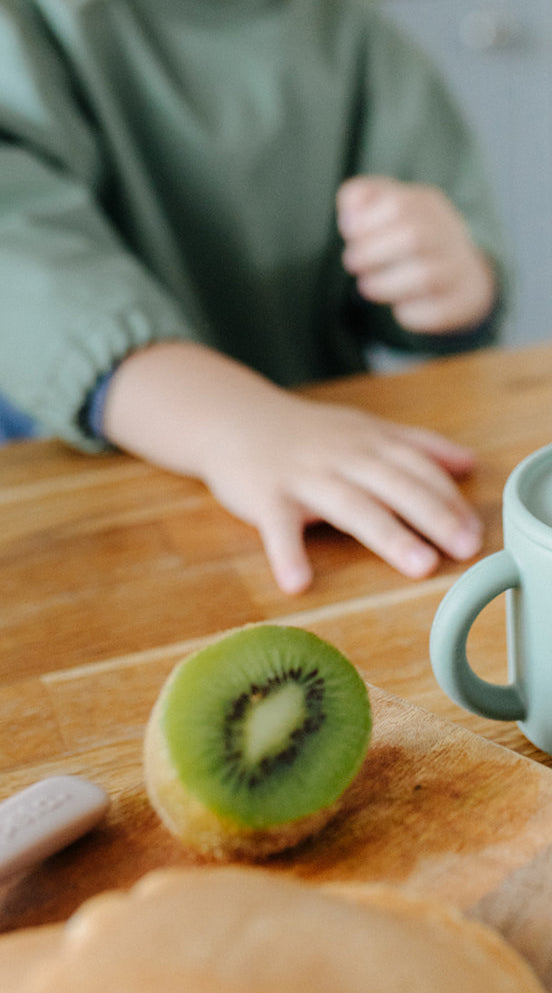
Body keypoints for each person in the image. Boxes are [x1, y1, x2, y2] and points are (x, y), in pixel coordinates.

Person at [0, 0, 509, 593]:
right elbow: (22, 259)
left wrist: (452, 279)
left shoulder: (356, 38)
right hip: (70, 512)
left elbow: (446, 268)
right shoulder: (26, 27)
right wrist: (233, 424)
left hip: (325, 475)